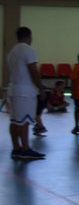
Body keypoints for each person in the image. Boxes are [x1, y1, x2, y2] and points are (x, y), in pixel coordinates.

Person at [5, 27, 45, 160]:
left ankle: (16, 148)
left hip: (13, 90)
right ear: (29, 36)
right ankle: (26, 149)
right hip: (25, 91)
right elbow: (33, 70)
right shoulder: (28, 50)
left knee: (14, 121)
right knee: (25, 121)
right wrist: (41, 88)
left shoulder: (12, 52)